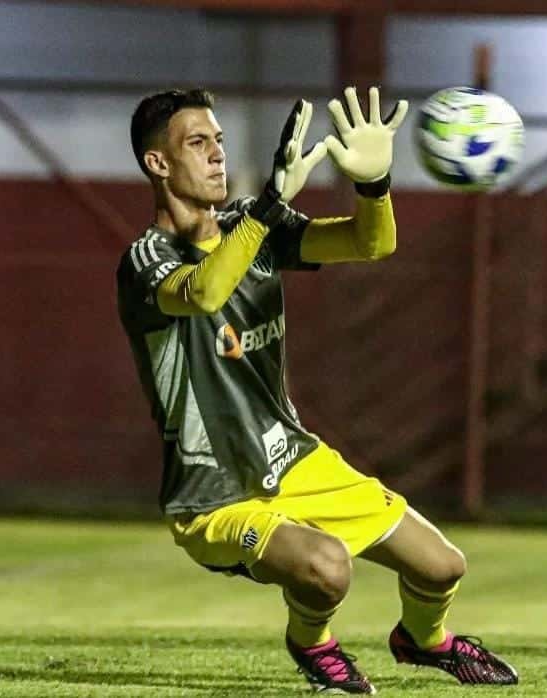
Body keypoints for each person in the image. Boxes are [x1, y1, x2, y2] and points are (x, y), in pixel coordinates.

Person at [117, 86, 518, 693]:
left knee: (442, 567)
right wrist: (268, 207)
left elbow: (369, 242)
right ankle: (311, 642)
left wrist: (375, 184)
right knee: (328, 569)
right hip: (215, 495)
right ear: (158, 163)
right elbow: (202, 292)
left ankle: (424, 640)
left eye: (219, 141)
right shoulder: (145, 260)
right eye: (198, 144)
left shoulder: (252, 227)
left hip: (295, 459)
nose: (217, 155)